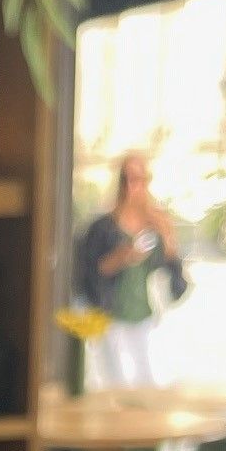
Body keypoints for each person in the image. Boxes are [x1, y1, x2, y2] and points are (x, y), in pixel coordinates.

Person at [78, 154, 188, 389]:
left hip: (147, 315)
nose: (131, 187)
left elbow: (174, 273)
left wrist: (167, 238)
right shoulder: (104, 227)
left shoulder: (158, 224)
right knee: (117, 384)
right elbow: (91, 271)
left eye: (137, 179)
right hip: (112, 315)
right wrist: (123, 256)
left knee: (150, 383)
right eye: (125, 179)